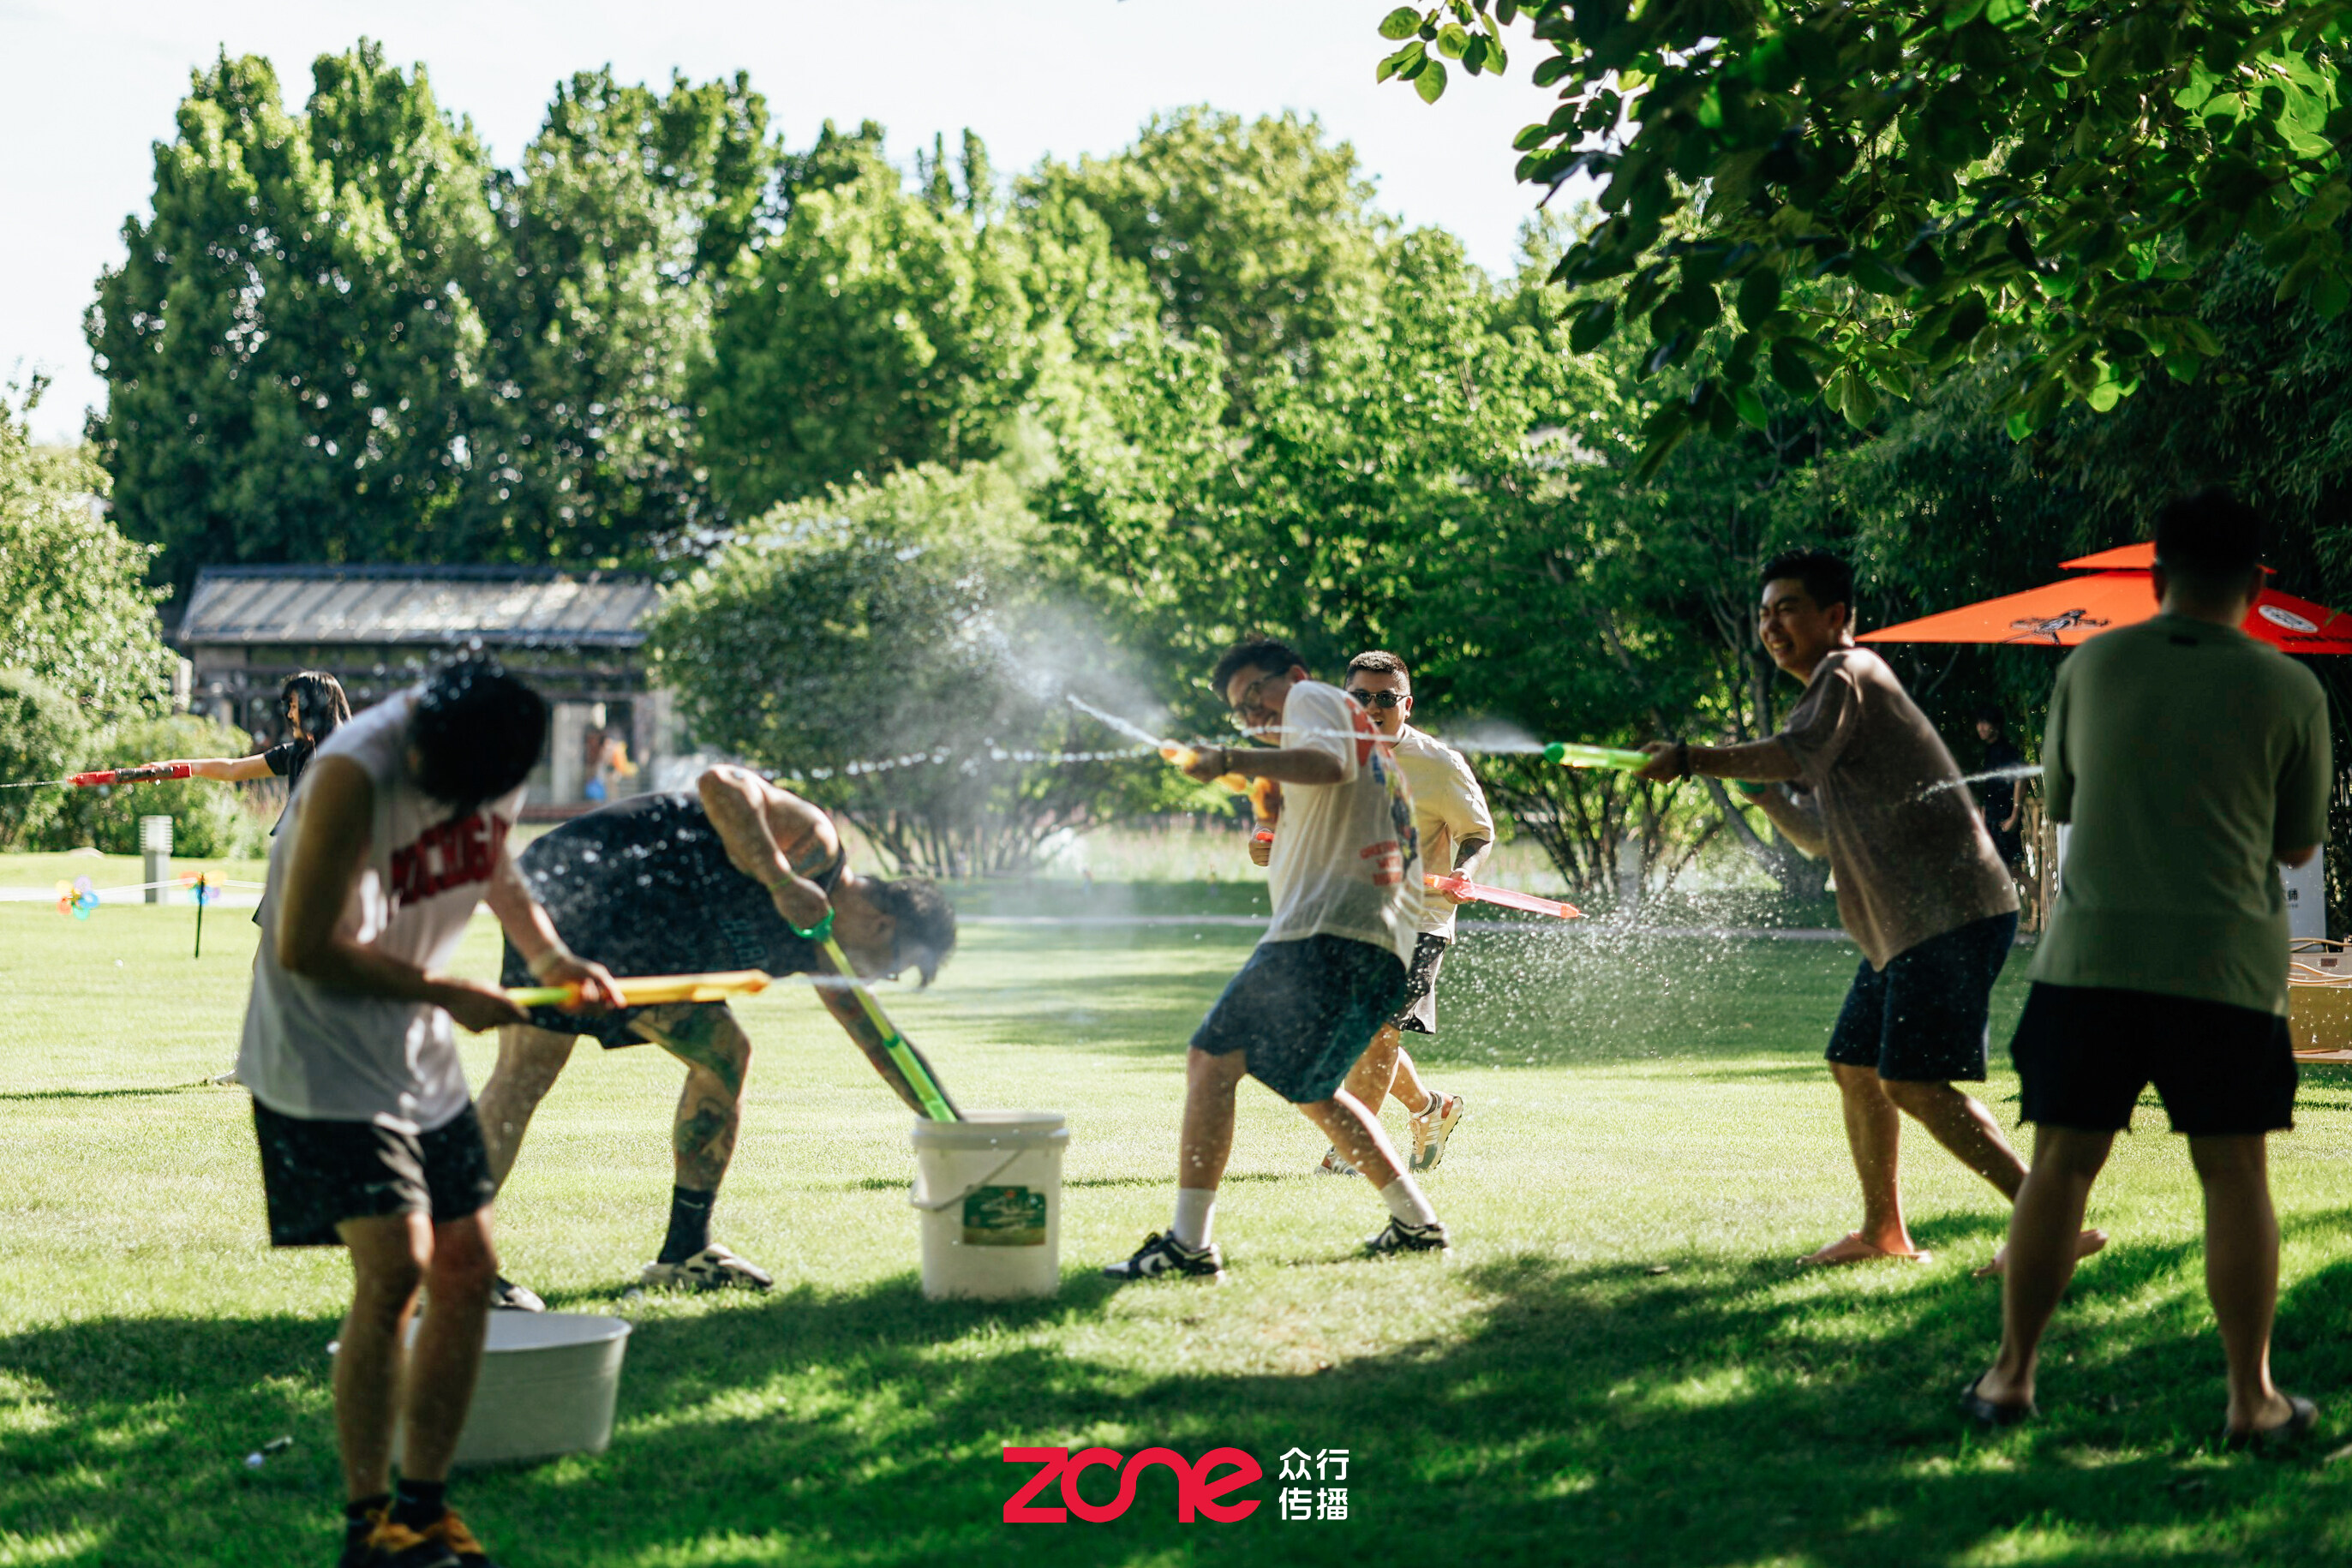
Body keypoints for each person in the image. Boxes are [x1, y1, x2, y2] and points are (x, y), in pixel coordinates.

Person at [1964, 491, 2330, 1443]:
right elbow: (2298, 846)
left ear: (2157, 577)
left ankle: (2009, 1379)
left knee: (2060, 1169)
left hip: (2091, 960)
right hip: (2225, 968)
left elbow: (2063, 802)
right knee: (2234, 1175)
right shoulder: (2291, 687)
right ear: (2257, 586)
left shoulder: (2089, 665)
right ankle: (2251, 1400)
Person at [237, 657, 620, 1568]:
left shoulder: (490, 752)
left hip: (417, 1051)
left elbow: (493, 863)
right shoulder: (350, 776)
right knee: (396, 1270)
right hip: (320, 1055)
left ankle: (423, 1510)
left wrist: (550, 957)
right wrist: (449, 993)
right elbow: (303, 946)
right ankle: (368, 1526)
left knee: (468, 1267)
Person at [1635, 551, 2104, 1275]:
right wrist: (1766, 798)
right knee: (1853, 1065)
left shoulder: (1848, 672)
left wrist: (1692, 757)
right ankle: (1883, 1231)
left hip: (1947, 912)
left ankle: (2052, 1225)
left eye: (1786, 608)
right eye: (1763, 614)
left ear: (1835, 616)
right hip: (1902, 926)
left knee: (1912, 1082)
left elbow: (1790, 754)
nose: (1770, 626)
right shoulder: (1827, 704)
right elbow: (1818, 836)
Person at [475, 765, 961, 1307]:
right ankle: (452, 1257)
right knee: (525, 1074)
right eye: (891, 968)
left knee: (724, 1055)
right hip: (588, 879)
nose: (876, 979)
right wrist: (781, 881)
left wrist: (956, 1129)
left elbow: (879, 1042)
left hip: (644, 934)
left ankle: (685, 1253)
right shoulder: (815, 846)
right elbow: (720, 784)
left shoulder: (823, 949)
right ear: (882, 926)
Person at [1106, 637, 1446, 1282]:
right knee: (1312, 1089)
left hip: (1325, 934)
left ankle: (1188, 1246)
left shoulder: (1315, 699)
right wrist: (1260, 784)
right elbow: (1321, 784)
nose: (1253, 713)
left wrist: (1230, 757)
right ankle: (1417, 1224)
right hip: (1374, 945)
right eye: (1240, 710)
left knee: (1210, 1060)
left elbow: (1328, 763)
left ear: (1292, 676)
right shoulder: (1337, 734)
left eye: (1256, 692)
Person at [1290, 650, 1489, 1176]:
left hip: (1419, 918)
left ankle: (1350, 1153)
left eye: (1385, 697)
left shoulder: (1439, 764)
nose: (1373, 707)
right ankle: (1431, 1108)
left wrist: (1464, 872)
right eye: (1361, 697)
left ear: (1407, 704)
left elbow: (1477, 833)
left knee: (1379, 1032)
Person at [1972, 706, 2032, 899]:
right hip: (1993, 817)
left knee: (2008, 871)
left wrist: (2014, 815)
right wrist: (1983, 815)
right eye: (1979, 723)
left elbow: (2020, 779)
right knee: (2002, 871)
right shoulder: (1989, 751)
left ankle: (2042, 902)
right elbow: (1990, 787)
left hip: (2004, 818)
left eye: (1985, 723)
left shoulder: (2007, 750)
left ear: (1996, 725)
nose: (1980, 728)